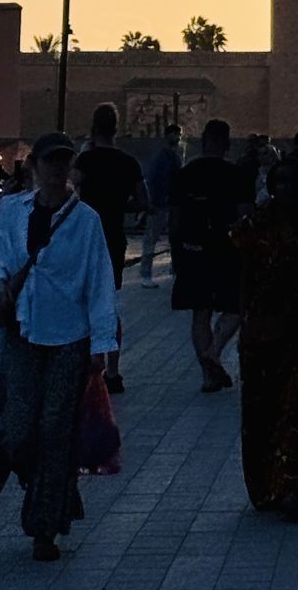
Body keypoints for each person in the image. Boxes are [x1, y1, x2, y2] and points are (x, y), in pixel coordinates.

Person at [0, 131, 118, 563]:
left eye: (64, 160)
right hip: (22, 332)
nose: (57, 168)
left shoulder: (86, 221)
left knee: (56, 431)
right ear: (34, 166)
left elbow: (99, 284)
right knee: (16, 429)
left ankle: (44, 528)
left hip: (68, 338)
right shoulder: (11, 212)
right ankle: (48, 485)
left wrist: (103, 346)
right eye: (49, 160)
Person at [231, 158, 298, 520]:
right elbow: (243, 279)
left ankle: (297, 487)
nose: (285, 189)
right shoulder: (253, 228)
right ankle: (266, 487)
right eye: (280, 182)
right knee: (261, 412)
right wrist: (244, 323)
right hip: (261, 331)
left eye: (292, 183)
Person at [170, 118, 251, 392]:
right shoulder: (236, 174)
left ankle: (208, 375)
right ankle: (213, 352)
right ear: (227, 143)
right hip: (227, 249)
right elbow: (244, 215)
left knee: (200, 311)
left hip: (193, 248)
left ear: (203, 140)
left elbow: (175, 216)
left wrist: (176, 250)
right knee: (237, 307)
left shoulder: (185, 173)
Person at [73, 104, 147, 394]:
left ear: (93, 128)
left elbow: (69, 190)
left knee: (84, 302)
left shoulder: (85, 161)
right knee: (109, 304)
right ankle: (112, 371)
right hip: (114, 238)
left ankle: (92, 363)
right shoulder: (128, 163)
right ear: (116, 128)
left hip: (86, 239)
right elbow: (143, 200)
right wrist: (124, 204)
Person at [142, 123, 183, 287]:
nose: (178, 137)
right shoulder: (163, 156)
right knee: (152, 239)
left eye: (179, 134)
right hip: (161, 203)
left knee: (172, 239)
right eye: (175, 134)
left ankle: (172, 271)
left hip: (169, 203)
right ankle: (146, 273)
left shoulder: (172, 155)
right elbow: (153, 179)